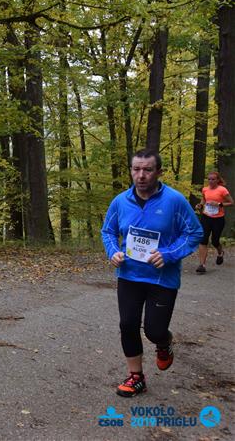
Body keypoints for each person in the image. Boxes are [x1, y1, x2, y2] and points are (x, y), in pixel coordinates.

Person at [101, 149, 202, 398]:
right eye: (136, 169)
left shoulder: (174, 201)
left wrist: (168, 254)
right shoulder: (120, 201)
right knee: (128, 324)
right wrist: (113, 252)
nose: (141, 175)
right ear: (131, 171)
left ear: (159, 172)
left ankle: (164, 343)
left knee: (154, 331)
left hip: (162, 278)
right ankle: (136, 377)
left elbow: (194, 233)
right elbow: (108, 231)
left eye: (147, 170)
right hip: (129, 275)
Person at [195, 171, 233, 273]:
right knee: (203, 240)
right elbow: (204, 200)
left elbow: (231, 202)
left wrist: (219, 204)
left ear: (217, 180)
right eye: (209, 179)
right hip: (206, 217)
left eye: (213, 179)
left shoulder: (222, 190)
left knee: (215, 241)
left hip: (218, 219)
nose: (211, 181)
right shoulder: (205, 189)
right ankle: (202, 265)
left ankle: (220, 253)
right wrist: (200, 205)